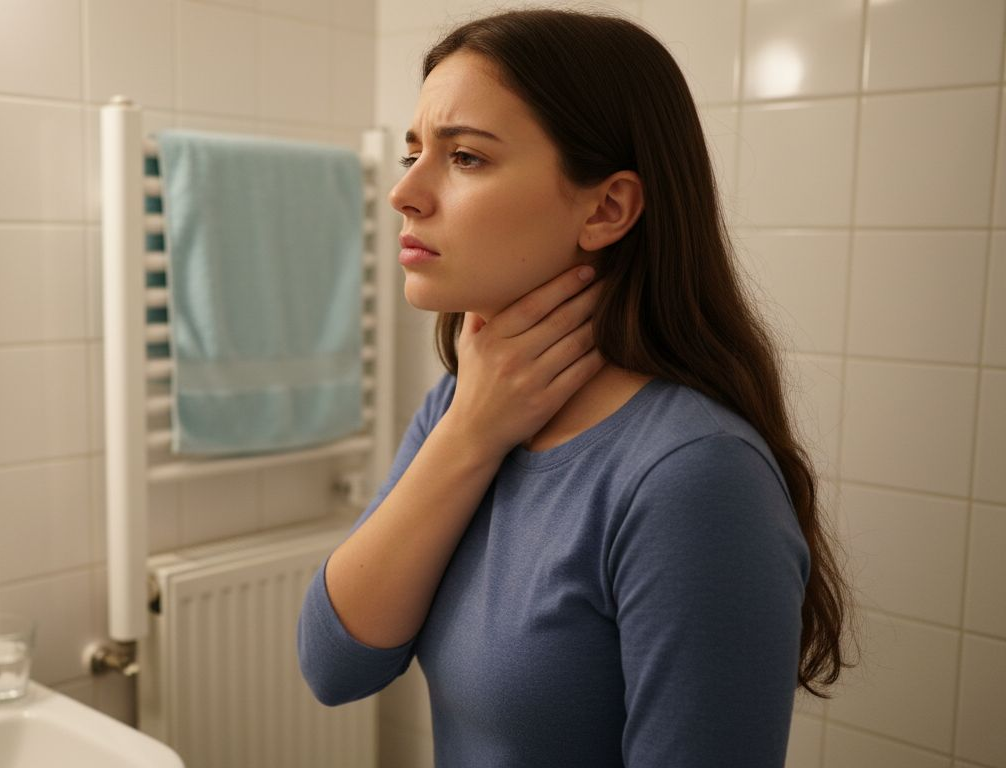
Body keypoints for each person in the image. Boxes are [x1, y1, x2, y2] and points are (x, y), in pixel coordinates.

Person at [297, 10, 850, 767]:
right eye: (413, 152)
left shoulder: (695, 477)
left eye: (465, 157)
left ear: (607, 208)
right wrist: (469, 435)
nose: (404, 192)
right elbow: (334, 666)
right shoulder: (462, 408)